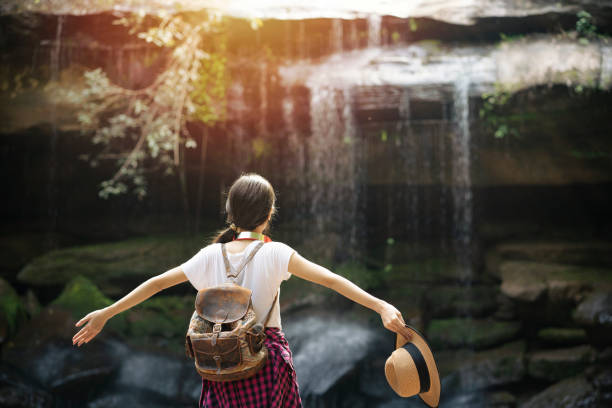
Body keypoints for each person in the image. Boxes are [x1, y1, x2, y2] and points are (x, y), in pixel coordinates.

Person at [72, 172, 413, 407]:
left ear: (231, 214)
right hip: (267, 364)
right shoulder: (276, 253)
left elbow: (157, 283)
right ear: (269, 214)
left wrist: (107, 313)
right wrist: (381, 305)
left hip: (221, 364)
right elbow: (332, 280)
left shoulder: (208, 256)